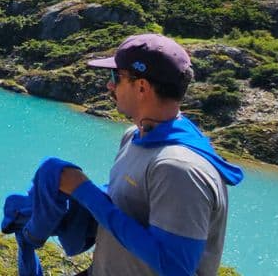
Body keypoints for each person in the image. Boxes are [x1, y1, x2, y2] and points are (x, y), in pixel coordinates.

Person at [59, 33, 243, 276]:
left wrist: (85, 192)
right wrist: (71, 202)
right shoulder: (135, 137)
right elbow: (130, 206)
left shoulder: (178, 168)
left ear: (142, 87)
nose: (109, 85)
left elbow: (175, 267)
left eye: (116, 77)